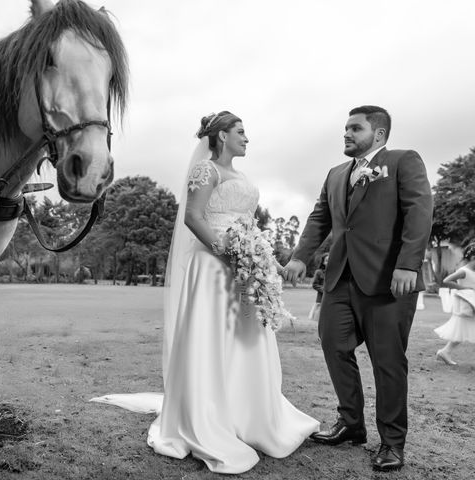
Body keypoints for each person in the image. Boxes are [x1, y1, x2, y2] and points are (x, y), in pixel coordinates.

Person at [92, 111, 319, 474]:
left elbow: (247, 225)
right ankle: (209, 416)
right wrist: (224, 249)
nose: (247, 138)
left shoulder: (241, 176)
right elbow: (193, 217)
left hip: (243, 269)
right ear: (222, 136)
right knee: (212, 339)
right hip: (213, 267)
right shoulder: (207, 171)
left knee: (246, 337)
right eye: (241, 132)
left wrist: (262, 257)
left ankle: (248, 415)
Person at [284, 105, 433, 472]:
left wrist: (407, 264)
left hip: (389, 282)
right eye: (345, 128)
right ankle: (351, 424)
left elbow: (419, 211)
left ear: (378, 134)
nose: (346, 134)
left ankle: (392, 442)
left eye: (355, 128)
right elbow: (320, 217)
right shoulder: (336, 174)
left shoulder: (402, 161)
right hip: (340, 279)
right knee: (333, 343)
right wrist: (301, 257)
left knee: (387, 362)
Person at [434, 243, 475, 365]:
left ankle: (445, 352)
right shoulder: (464, 271)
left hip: (472, 303)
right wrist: (463, 288)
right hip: (467, 304)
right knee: (461, 331)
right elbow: (446, 280)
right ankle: (444, 352)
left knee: (461, 332)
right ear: (473, 257)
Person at [308, 253, 328, 321]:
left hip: (332, 300)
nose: (328, 262)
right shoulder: (319, 272)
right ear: (323, 262)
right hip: (321, 299)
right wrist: (324, 290)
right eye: (326, 260)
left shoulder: (335, 273)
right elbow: (314, 285)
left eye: (330, 260)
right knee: (320, 319)